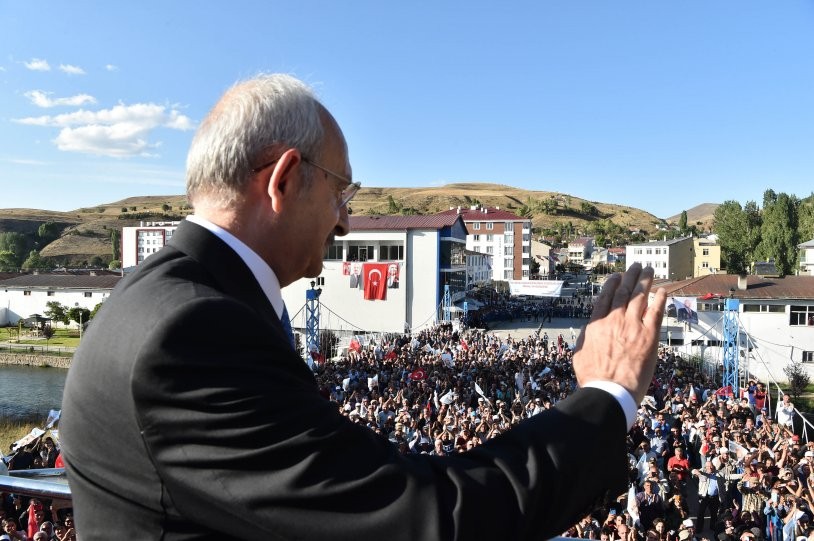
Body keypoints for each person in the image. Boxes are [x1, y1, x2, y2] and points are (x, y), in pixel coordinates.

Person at [60, 73, 667, 539]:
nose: (345, 221)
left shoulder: (162, 296)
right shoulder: (193, 331)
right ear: (285, 179)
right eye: (340, 191)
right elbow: (425, 519)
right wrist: (605, 394)